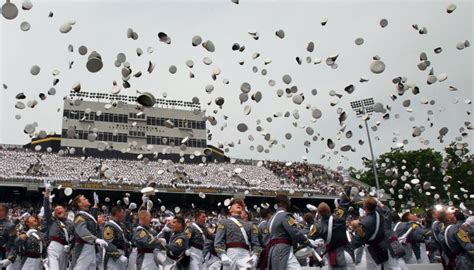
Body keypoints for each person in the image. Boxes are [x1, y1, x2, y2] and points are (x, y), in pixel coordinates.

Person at [352, 197, 400, 270]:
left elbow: (356, 241)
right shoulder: (379, 212)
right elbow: (386, 210)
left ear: (365, 207)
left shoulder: (365, 223)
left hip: (373, 248)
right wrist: (379, 203)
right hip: (385, 243)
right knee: (391, 267)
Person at [267, 194, 312, 270]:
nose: (289, 203)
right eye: (288, 201)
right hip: (283, 251)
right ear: (285, 202)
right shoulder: (286, 216)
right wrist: (308, 242)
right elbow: (295, 232)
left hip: (273, 251)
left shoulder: (271, 218)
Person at [214, 199, 261, 270]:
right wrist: (222, 254)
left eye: (241, 204)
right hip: (229, 254)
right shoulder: (224, 222)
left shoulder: (250, 225)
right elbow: (218, 241)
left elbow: (256, 244)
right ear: (230, 209)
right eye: (235, 203)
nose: (238, 204)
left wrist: (255, 256)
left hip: (245, 255)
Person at [309, 202, 355, 270]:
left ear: (319, 214)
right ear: (329, 210)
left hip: (332, 256)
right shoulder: (339, 217)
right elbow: (344, 203)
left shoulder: (317, 226)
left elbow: (309, 239)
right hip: (347, 252)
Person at [71, 194, 108, 270]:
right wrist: (95, 239)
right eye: (84, 199)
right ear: (79, 204)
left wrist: (95, 204)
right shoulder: (79, 216)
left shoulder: (86, 215)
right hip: (83, 247)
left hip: (91, 247)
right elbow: (82, 230)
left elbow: (92, 221)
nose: (87, 199)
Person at [43, 188, 74, 270]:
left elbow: (75, 236)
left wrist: (71, 246)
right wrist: (47, 194)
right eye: (56, 210)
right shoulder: (52, 220)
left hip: (65, 248)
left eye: (60, 208)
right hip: (54, 246)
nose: (58, 210)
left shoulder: (70, 223)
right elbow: (47, 210)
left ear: (65, 211)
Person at [0, 204, 18, 269]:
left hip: (2, 255)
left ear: (5, 212)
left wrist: (11, 258)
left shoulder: (10, 226)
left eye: (1, 210)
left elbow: (14, 244)